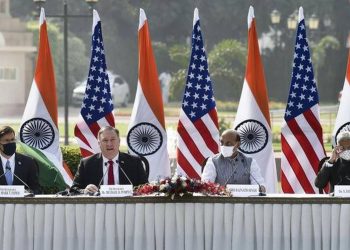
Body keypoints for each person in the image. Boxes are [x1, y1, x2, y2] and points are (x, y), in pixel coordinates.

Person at [70, 126, 148, 194]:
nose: (109, 144)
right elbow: (73, 190)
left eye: (113, 139)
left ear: (119, 141)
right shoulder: (87, 164)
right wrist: (84, 191)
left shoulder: (134, 162)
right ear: (99, 143)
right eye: (105, 140)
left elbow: (146, 188)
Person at [202, 129, 266, 192]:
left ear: (237, 145)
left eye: (228, 144)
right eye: (222, 142)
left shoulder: (250, 162)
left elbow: (260, 185)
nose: (223, 146)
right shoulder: (212, 161)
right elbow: (206, 186)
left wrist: (261, 188)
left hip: (245, 201)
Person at [0, 126, 41, 194]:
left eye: (12, 139)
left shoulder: (28, 162)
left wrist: (28, 193)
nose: (10, 143)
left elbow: (36, 189)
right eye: (6, 140)